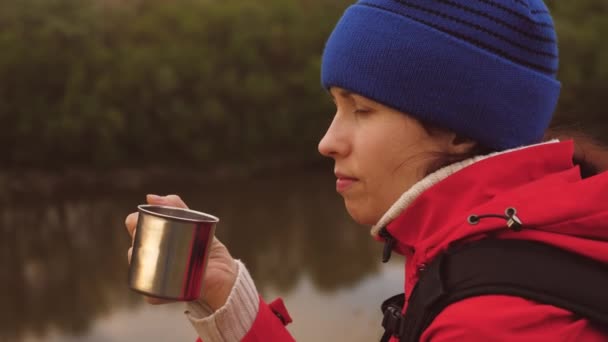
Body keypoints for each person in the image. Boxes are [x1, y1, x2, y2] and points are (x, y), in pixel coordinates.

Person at [124, 0, 608, 341]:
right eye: (336, 106)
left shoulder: (490, 323)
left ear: (458, 130)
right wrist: (228, 302)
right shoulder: (498, 245)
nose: (327, 141)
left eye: (361, 109)